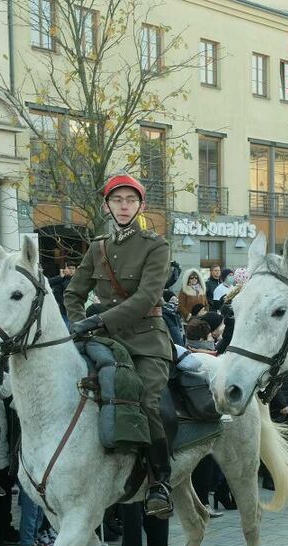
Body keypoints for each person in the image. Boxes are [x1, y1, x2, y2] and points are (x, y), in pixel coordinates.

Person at [65, 174, 175, 518]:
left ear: (140, 205)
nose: (124, 205)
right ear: (107, 205)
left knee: (146, 401)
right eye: (117, 200)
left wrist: (98, 321)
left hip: (146, 340)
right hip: (103, 340)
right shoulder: (98, 247)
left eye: (130, 200)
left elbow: (146, 298)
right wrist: (76, 322)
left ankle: (160, 481)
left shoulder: (155, 245)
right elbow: (73, 292)